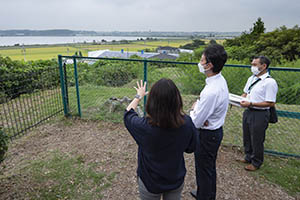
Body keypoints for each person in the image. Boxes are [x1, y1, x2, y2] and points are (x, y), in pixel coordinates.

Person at [124, 79, 198, 200]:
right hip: (175, 179)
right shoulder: (187, 123)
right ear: (177, 100)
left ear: (152, 102)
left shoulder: (143, 127)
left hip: (150, 181)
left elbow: (127, 114)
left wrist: (139, 96)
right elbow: (191, 148)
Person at [189, 44, 229, 200]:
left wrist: (194, 109)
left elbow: (197, 121)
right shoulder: (219, 81)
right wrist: (199, 107)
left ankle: (204, 196)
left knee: (204, 168)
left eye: (202, 60)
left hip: (207, 135)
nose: (200, 63)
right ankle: (206, 193)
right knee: (209, 167)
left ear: (209, 65)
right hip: (215, 131)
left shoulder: (211, 91)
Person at [238, 56, 278, 171]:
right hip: (248, 111)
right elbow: (245, 93)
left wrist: (251, 103)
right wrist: (237, 100)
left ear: (264, 66)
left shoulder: (269, 82)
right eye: (252, 64)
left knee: (257, 138)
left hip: (260, 114)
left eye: (255, 65)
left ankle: (256, 162)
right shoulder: (251, 78)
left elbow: (270, 103)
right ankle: (248, 156)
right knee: (247, 136)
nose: (252, 67)